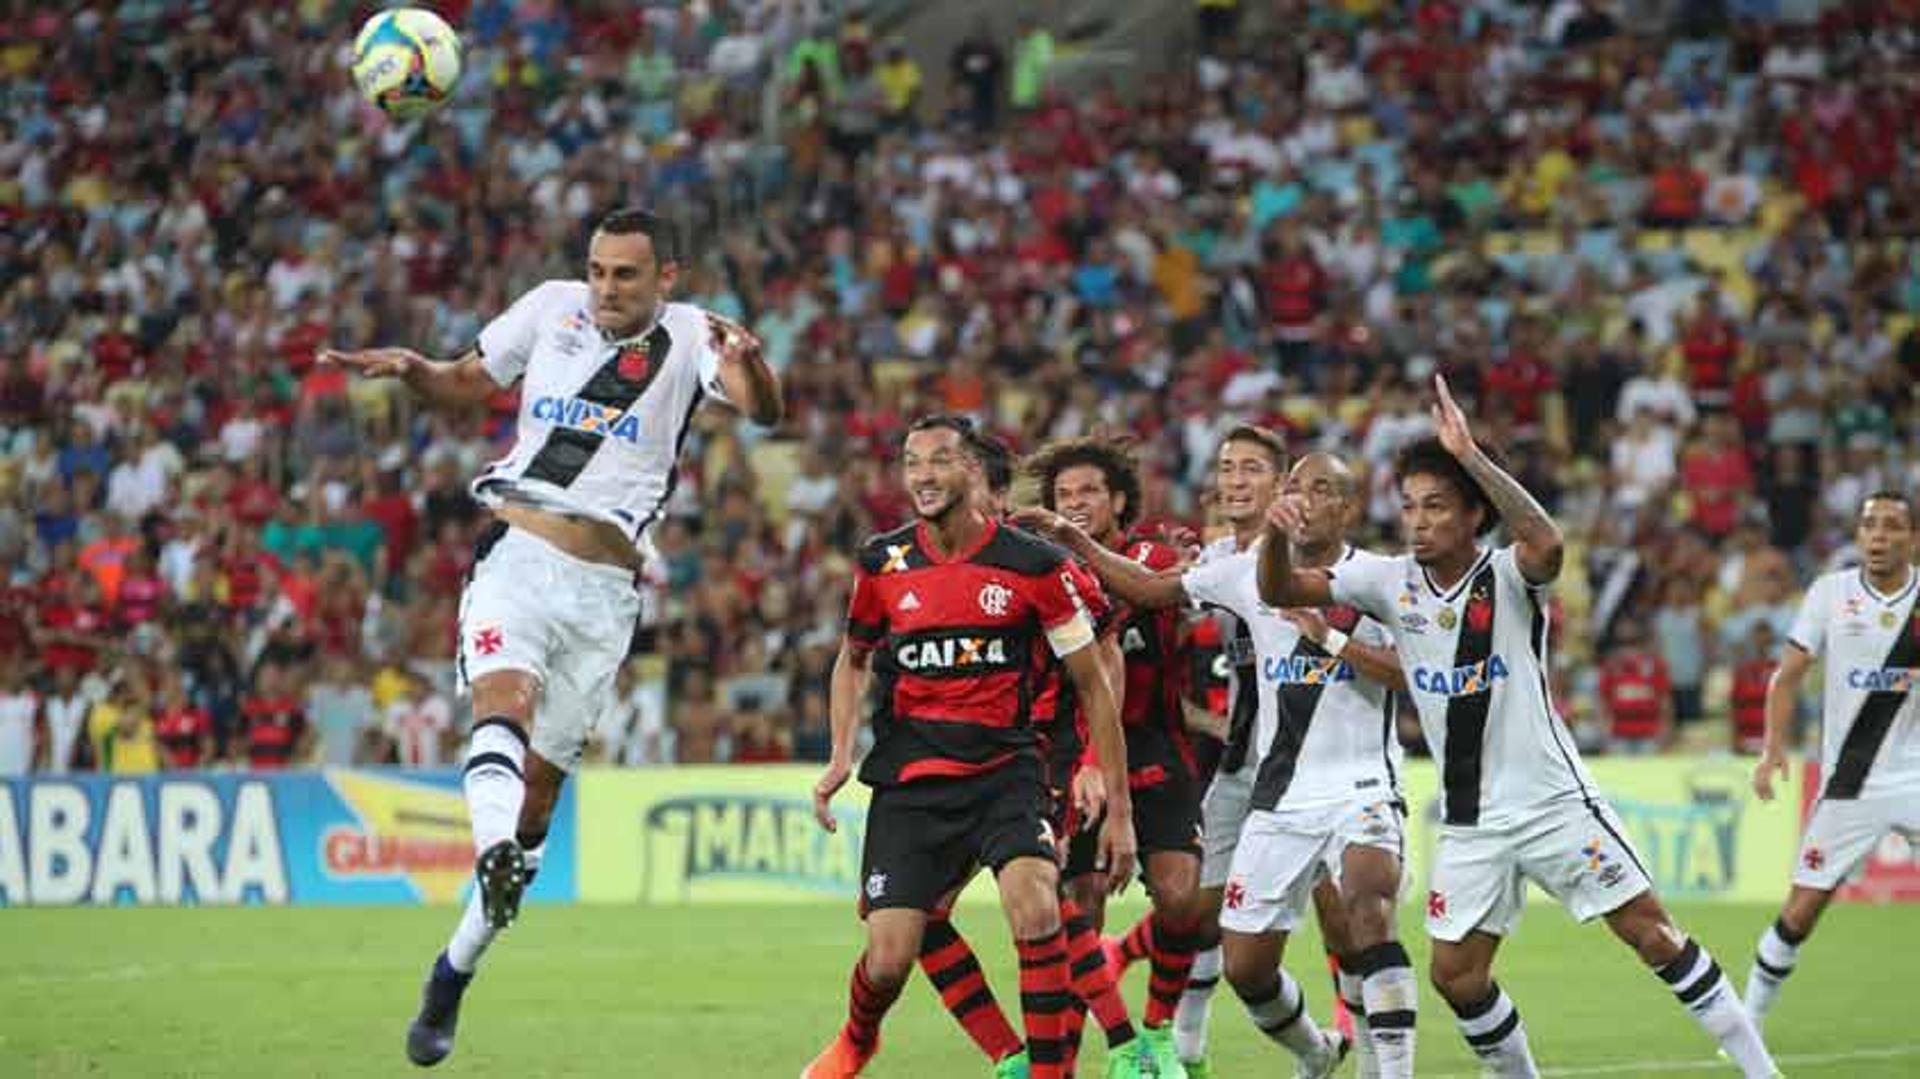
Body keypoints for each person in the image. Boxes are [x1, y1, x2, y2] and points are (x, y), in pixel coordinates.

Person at [324, 206, 782, 1068]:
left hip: (607, 593)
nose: (607, 287)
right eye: (599, 270)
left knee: (538, 805)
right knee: (504, 699)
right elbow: (467, 379)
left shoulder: (691, 336)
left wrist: (753, 368)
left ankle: (453, 970)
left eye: (626, 275)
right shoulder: (547, 307)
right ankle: (490, 849)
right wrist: (416, 369)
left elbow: (760, 411)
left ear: (666, 279)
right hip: (519, 552)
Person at [1256, 376, 1778, 1078]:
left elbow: (1546, 540)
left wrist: (1469, 453)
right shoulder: (1389, 581)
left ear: (1474, 512)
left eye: (1436, 505)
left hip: (1552, 801)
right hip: (1471, 821)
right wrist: (1273, 535)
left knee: (1650, 933)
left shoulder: (1508, 574)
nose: (1417, 520)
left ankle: (1760, 1069)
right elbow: (1279, 589)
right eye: (1409, 506)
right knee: (1456, 973)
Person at [1024, 450, 1400, 1077]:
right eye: (1228, 469)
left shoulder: (1379, 577)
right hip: (1257, 778)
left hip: (1346, 779)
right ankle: (1291, 1049)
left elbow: (1417, 674)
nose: (1237, 482)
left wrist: (1330, 638)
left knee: (1355, 913)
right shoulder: (1230, 567)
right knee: (1222, 940)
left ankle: (1373, 1063)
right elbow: (1147, 590)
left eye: (1318, 488)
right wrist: (1071, 539)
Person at [804, 415, 1136, 1079]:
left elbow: (1095, 684)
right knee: (891, 956)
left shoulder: (1033, 564)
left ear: (971, 471)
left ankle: (1050, 1070)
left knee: (1038, 903)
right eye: (912, 461)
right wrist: (841, 753)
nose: (924, 475)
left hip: (1005, 770)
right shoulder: (883, 561)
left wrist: (1120, 807)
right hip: (912, 779)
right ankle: (858, 1037)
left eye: (939, 460)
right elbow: (852, 657)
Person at [1024, 436, 1208, 1070]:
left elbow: (1158, 591)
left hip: (1154, 744)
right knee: (1079, 905)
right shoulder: (1038, 568)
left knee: (1181, 895)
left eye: (1090, 492)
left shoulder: (1152, 556)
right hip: (1074, 751)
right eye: (1065, 495)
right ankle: (1069, 1052)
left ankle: (1157, 1033)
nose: (1077, 503)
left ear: (1119, 499)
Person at [1746, 491, 1919, 1031]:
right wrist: (1773, 747)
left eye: (1892, 526)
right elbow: (1789, 676)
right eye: (1870, 526)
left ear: (1912, 539)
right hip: (1850, 783)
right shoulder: (1830, 593)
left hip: (1916, 776)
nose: (1878, 536)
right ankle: (1745, 1021)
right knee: (1800, 914)